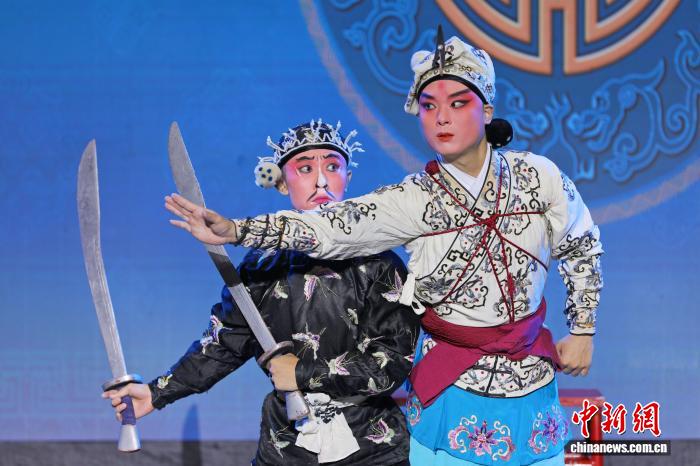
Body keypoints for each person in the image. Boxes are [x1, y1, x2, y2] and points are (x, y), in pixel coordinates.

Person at [165, 33, 603, 466]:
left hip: (530, 374)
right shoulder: (413, 198)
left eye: (458, 103)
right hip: (450, 385)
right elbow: (332, 226)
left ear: (487, 110)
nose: (442, 118)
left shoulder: (539, 175)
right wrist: (237, 230)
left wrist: (583, 328)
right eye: (428, 106)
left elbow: (581, 244)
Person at [105, 119, 420, 466]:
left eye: (332, 167)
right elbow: (224, 344)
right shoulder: (260, 267)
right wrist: (155, 393)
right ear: (282, 183)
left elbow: (391, 362)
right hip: (286, 443)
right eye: (305, 169)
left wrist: (301, 372)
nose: (321, 181)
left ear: (347, 177)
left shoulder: (379, 263)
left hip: (372, 445)